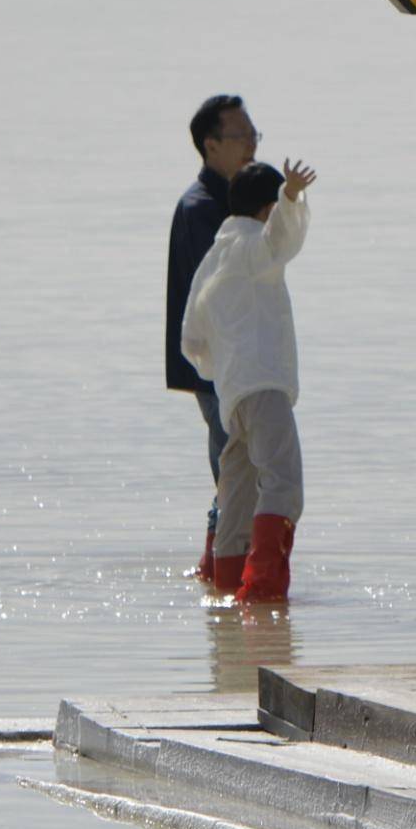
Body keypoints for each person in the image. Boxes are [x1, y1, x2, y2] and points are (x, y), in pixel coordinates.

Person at [180, 156, 317, 603]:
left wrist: (222, 372)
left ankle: (225, 582)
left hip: (233, 394)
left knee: (235, 488)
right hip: (264, 385)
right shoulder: (253, 245)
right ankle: (261, 589)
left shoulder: (214, 259)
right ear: (263, 210)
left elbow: (193, 339)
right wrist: (290, 197)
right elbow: (280, 239)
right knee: (282, 480)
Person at [167, 94, 256, 522]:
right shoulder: (202, 207)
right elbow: (222, 292)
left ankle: (222, 569)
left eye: (253, 133)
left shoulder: (236, 201)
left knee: (239, 468)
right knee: (235, 469)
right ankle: (227, 564)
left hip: (234, 359)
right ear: (211, 144)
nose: (251, 143)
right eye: (240, 135)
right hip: (215, 362)